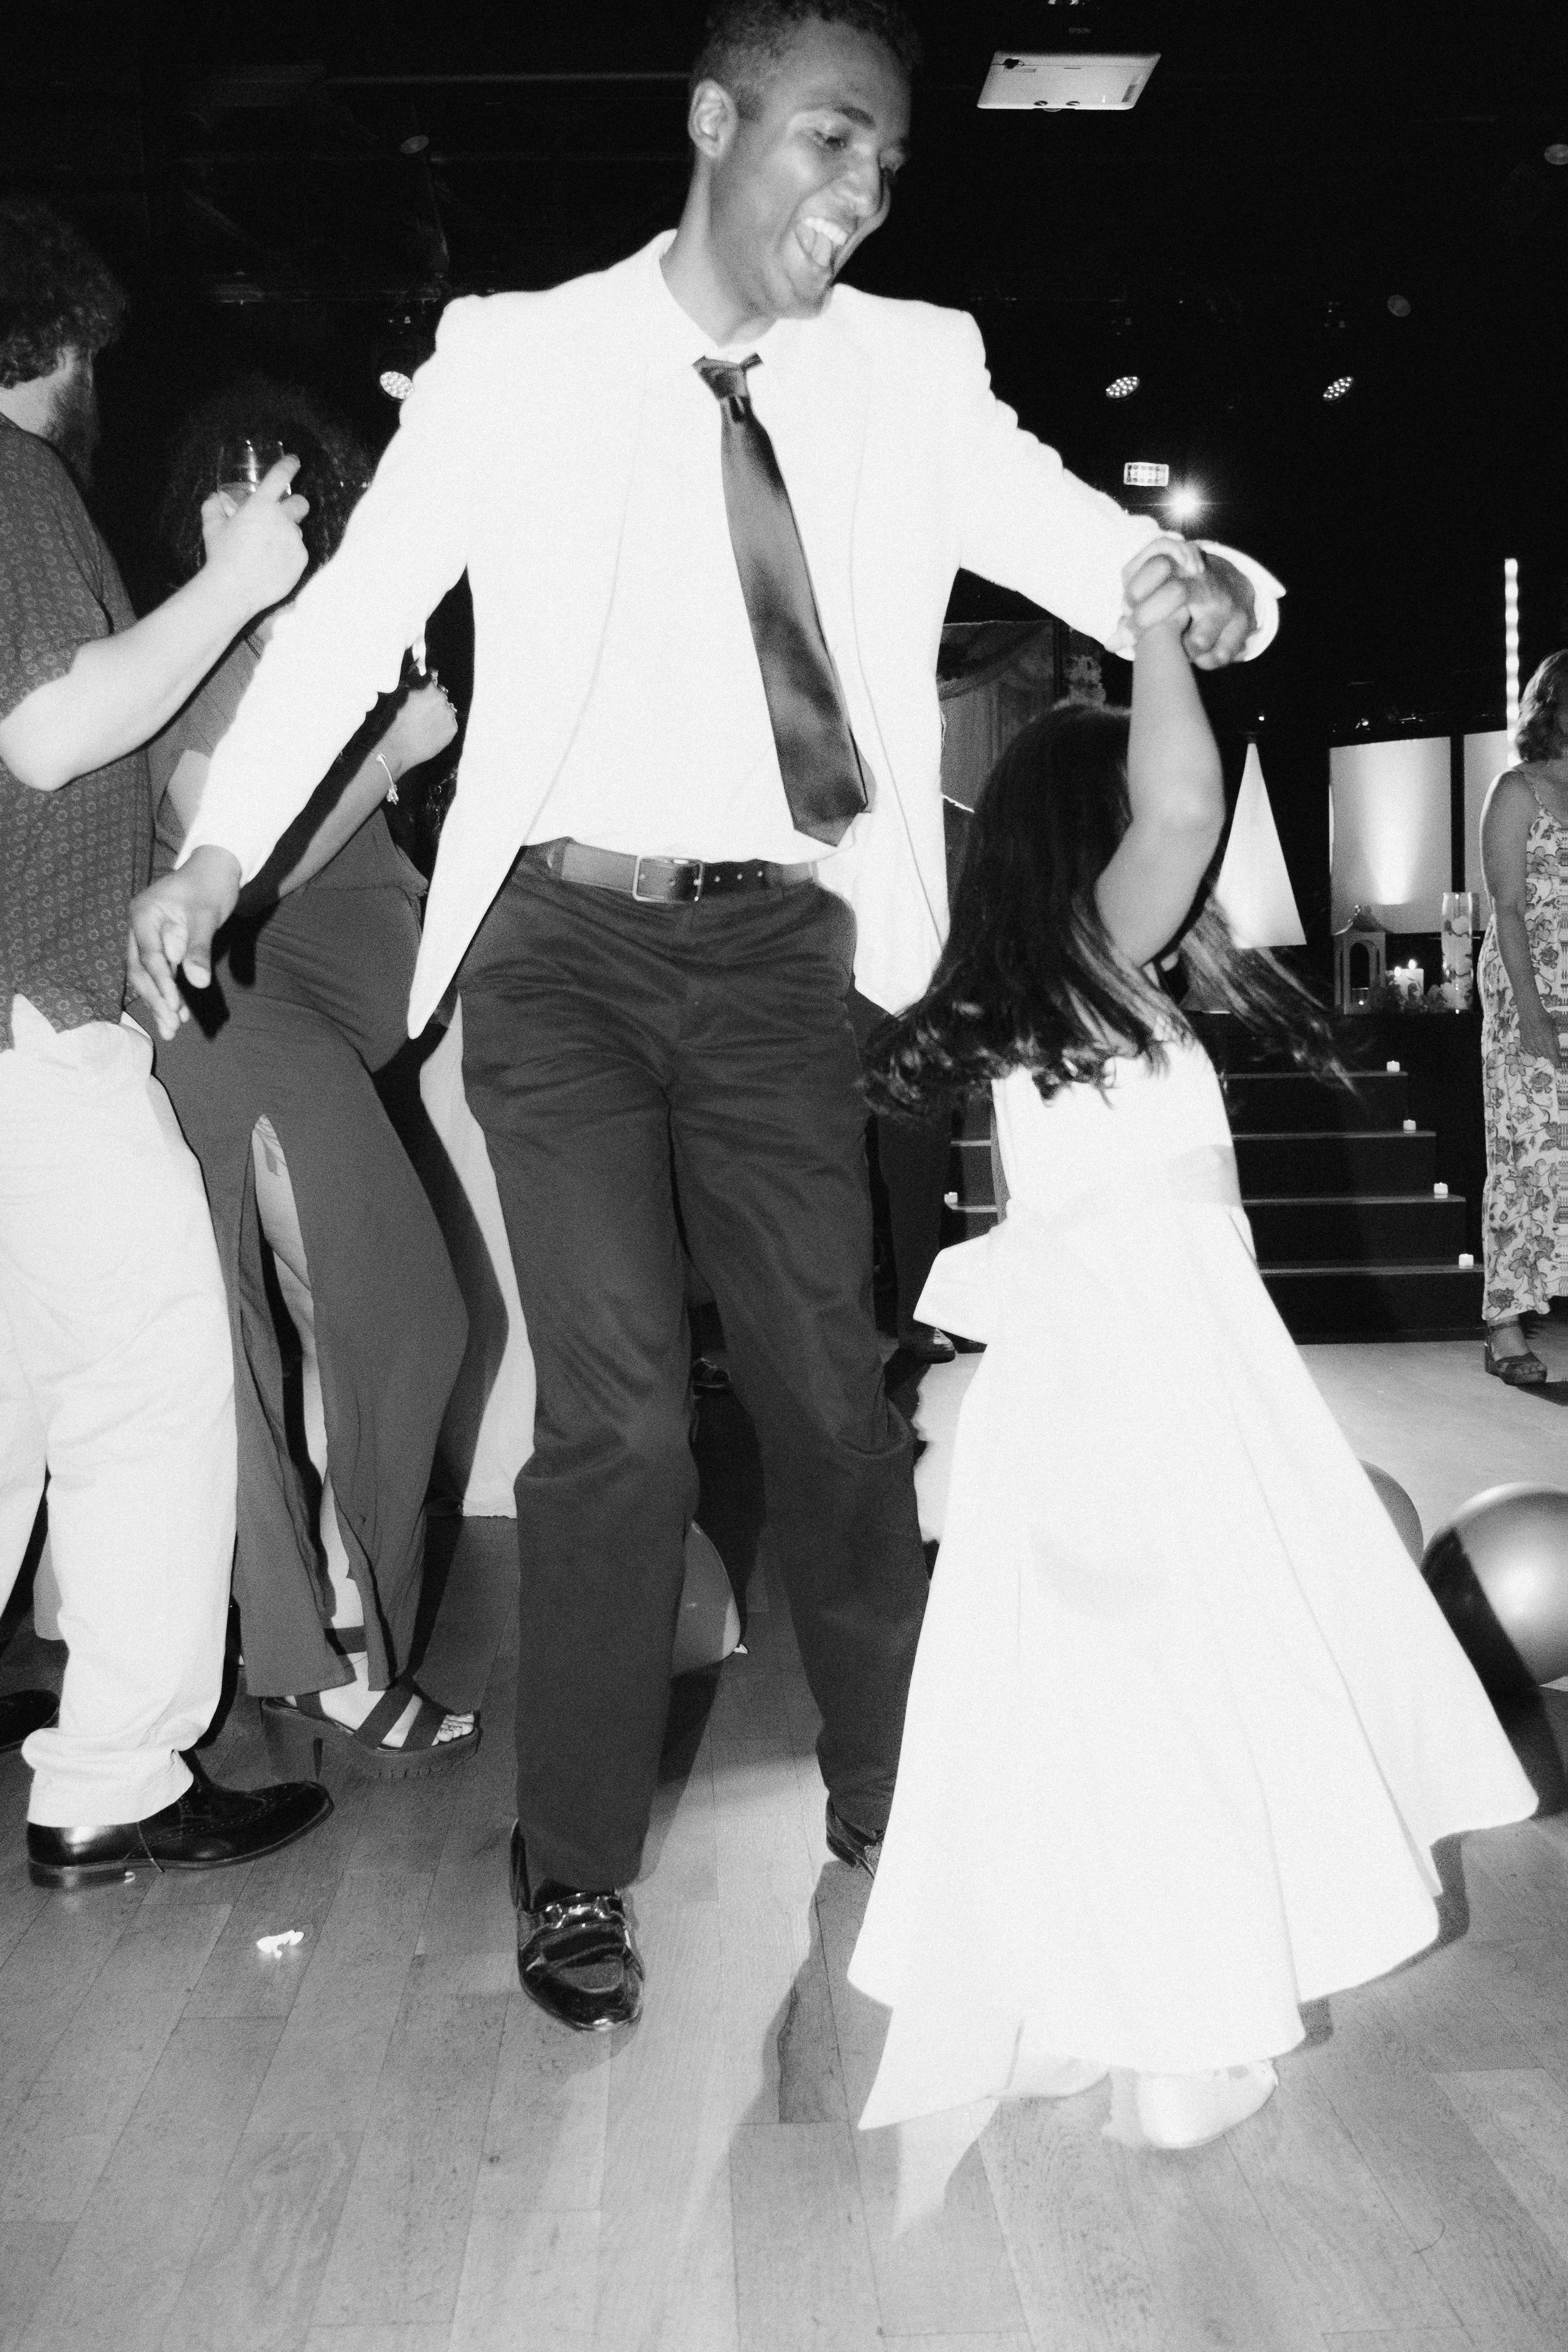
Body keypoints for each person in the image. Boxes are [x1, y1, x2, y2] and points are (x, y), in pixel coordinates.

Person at [125, 0, 1279, 2031]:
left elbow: (1091, 542)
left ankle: (890, 1797)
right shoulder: (518, 360)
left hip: (776, 952)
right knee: (623, 1413)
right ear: (714, 119)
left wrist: (1203, 584)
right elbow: (350, 606)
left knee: (833, 1396)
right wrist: (217, 854)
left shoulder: (914, 374)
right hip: (561, 947)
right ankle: (571, 1871)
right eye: (831, 143)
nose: (859, 194)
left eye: (889, 167)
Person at [846, 564, 1537, 2151]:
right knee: (1173, 1696)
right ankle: (1178, 2036)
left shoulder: (1063, 998)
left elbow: (1161, 814)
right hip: (1139, 1393)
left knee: (1105, 1701)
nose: (1198, 853)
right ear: (1089, 848)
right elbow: (1172, 811)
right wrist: (1152, 620)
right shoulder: (1090, 975)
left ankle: (1103, 1996)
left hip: (1096, 1391)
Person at [0, 198, 331, 1882]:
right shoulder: (10, 473)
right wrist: (235, 585)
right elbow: (57, 722)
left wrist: (135, 885)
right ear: (55, 343)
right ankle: (114, 1777)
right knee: (143, 1387)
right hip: (27, 1038)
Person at [139, 381, 475, 1777]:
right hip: (247, 1024)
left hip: (325, 1026)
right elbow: (230, 853)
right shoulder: (209, 659)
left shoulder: (324, 655)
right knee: (402, 1321)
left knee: (323, 1341)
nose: (247, 513)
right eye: (223, 492)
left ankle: (319, 1647)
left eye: (274, 489)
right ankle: (326, 1649)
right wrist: (390, 758)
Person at [1478, 650, 1568, 1385]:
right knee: (1525, 1153)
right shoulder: (1518, 790)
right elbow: (1506, 907)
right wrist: (1531, 1013)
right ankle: (1504, 1323)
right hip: (1526, 986)